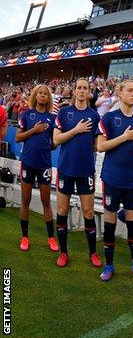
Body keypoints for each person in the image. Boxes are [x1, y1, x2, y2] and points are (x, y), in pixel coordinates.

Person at [96, 80, 133, 282]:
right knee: (110, 224)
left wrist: (131, 160)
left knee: (132, 223)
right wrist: (124, 138)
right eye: (129, 90)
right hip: (111, 178)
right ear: (119, 93)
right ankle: (109, 265)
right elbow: (100, 146)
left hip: (132, 180)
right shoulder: (109, 118)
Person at [52, 78, 101, 268]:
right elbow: (56, 140)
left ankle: (93, 253)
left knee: (88, 211)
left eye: (85, 88)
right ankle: (63, 253)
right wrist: (76, 130)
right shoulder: (64, 113)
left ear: (89, 92)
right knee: (62, 210)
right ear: (74, 91)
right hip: (66, 169)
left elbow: (96, 145)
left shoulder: (94, 116)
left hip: (86, 170)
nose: (81, 91)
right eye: (79, 88)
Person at [15, 84, 58, 252]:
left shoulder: (52, 118)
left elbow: (54, 143)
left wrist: (50, 144)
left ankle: (51, 238)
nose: (42, 96)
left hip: (45, 164)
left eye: (45, 94)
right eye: (40, 93)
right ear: (35, 95)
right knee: (25, 201)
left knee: (46, 202)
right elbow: (18, 137)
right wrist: (34, 130)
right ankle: (25, 237)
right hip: (27, 163)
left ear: (48, 98)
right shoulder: (26, 115)